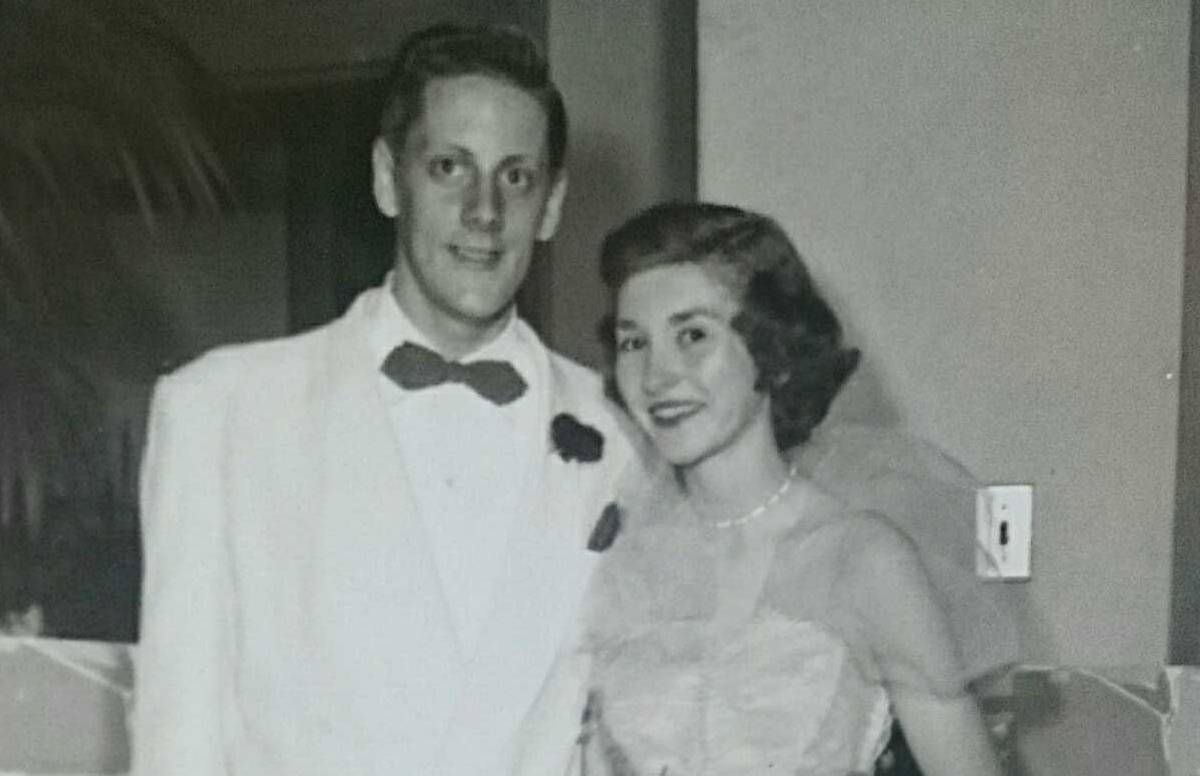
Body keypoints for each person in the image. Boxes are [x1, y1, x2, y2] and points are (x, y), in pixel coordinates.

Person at [131, 23, 634, 776]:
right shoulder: (220, 410)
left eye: (516, 177)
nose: (485, 212)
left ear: (553, 204)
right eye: (448, 168)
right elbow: (178, 735)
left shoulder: (624, 434)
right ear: (386, 178)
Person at [575, 201, 1013, 775]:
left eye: (693, 335)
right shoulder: (622, 563)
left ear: (772, 351)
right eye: (635, 342)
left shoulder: (862, 559)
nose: (657, 376)